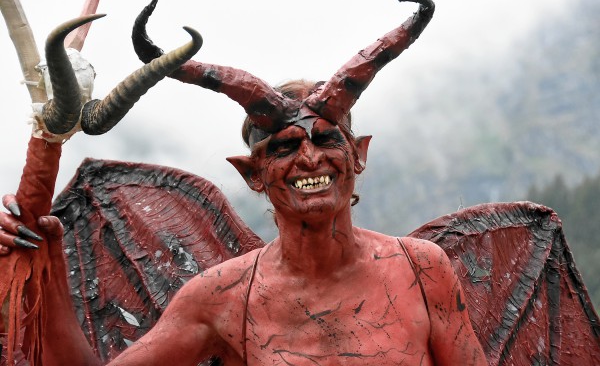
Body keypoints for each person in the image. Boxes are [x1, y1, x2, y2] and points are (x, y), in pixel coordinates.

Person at [0, 78, 487, 365]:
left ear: (357, 156)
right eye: (284, 146)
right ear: (254, 173)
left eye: (326, 140)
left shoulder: (422, 270)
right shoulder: (222, 297)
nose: (310, 158)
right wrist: (46, 270)